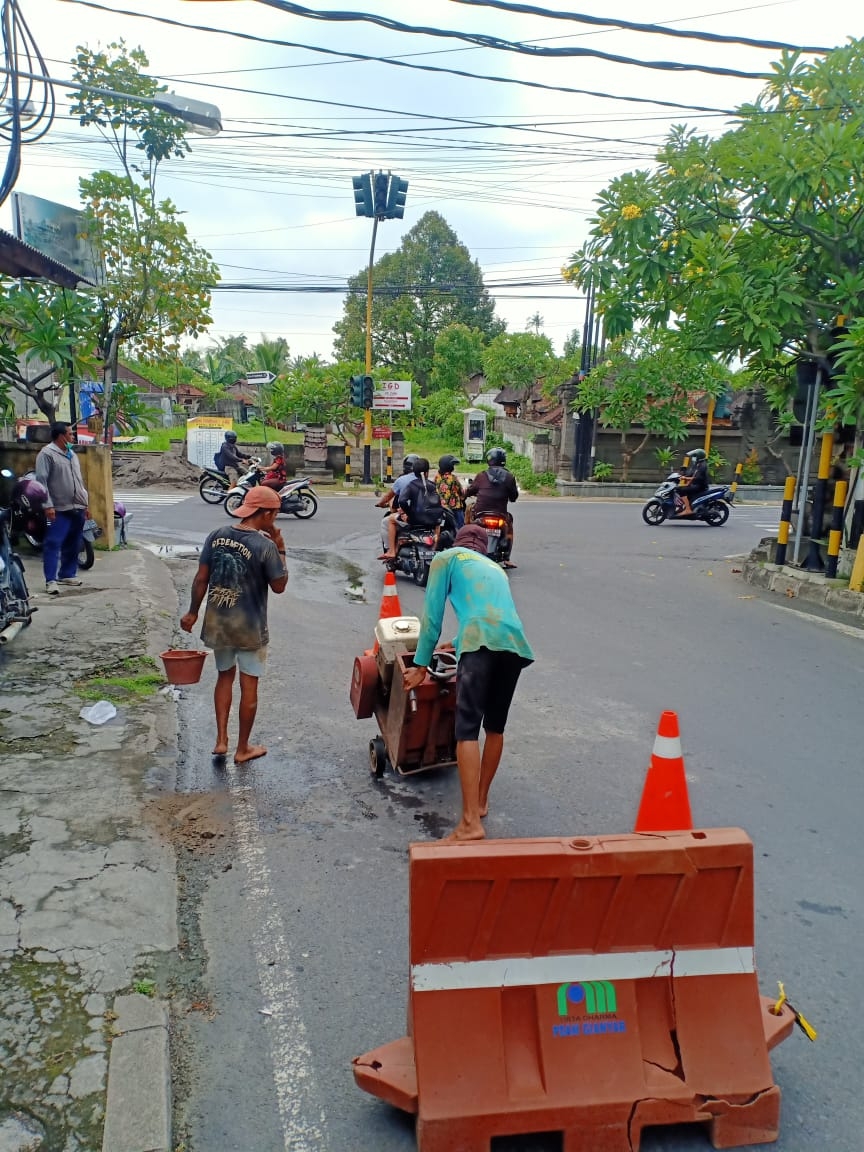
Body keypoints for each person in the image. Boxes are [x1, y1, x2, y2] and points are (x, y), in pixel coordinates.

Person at [403, 523, 534, 841]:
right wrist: (458, 640)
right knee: (495, 727)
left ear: (457, 543)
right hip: (514, 644)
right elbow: (492, 612)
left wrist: (420, 665)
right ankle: (481, 801)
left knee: (466, 730)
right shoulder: (496, 569)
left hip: (481, 644)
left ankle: (469, 823)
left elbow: (431, 618)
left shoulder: (446, 558)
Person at [180, 486, 288, 765]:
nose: (275, 519)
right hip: (249, 628)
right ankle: (242, 748)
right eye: (274, 514)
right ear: (264, 513)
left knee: (224, 677)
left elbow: (201, 578)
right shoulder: (265, 546)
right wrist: (281, 547)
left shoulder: (216, 536)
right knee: (249, 684)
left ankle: (221, 740)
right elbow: (279, 586)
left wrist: (192, 612)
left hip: (219, 624)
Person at [34, 422, 89, 596]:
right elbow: (41, 482)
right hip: (58, 508)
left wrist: (86, 504)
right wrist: (47, 505)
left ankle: (67, 574)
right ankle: (50, 580)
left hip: (77, 506)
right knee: (53, 543)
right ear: (61, 436)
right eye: (70, 434)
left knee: (74, 542)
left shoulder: (71, 454)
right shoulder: (46, 454)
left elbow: (78, 481)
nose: (72, 437)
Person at [466, 447, 519, 567]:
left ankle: (466, 543)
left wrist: (466, 494)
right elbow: (513, 497)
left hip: (481, 513)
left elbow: (470, 491)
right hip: (500, 515)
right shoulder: (509, 477)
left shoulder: (481, 476)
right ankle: (506, 558)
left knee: (468, 512)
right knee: (509, 526)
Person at [376, 453, 419, 560]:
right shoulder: (427, 481)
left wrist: (381, 503)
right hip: (426, 516)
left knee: (387, 521)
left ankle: (390, 550)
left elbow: (390, 498)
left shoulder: (402, 480)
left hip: (409, 516)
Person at [675, 448, 710, 516]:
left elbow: (698, 478)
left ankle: (688, 509)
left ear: (698, 457)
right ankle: (681, 507)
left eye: (694, 456)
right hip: (695, 484)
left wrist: (686, 478)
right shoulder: (697, 464)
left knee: (681, 490)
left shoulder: (703, 465)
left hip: (700, 486)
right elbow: (690, 473)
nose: (693, 458)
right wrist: (681, 475)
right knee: (677, 488)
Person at [435, 454, 466, 529]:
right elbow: (460, 490)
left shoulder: (437, 477)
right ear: (449, 466)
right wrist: (463, 495)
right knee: (461, 526)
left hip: (441, 506)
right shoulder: (452, 478)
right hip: (454, 507)